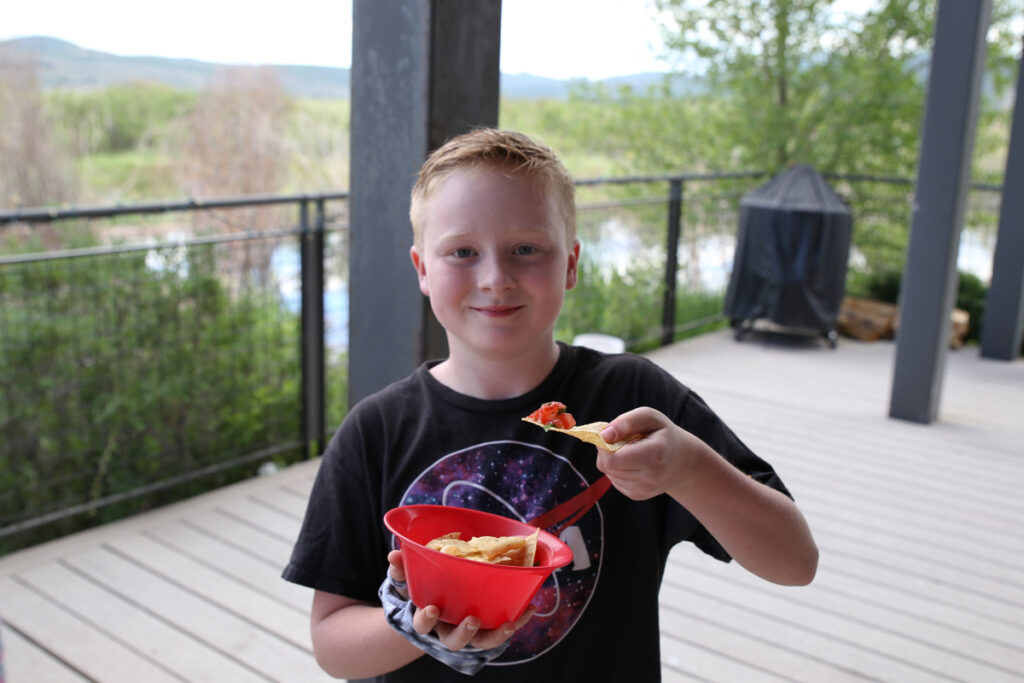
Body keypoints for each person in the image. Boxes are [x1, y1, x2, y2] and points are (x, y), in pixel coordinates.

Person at [283, 128, 818, 681]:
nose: (495, 278)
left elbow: (796, 562)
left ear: (570, 264)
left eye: (526, 250)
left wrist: (690, 469)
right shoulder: (376, 432)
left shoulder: (633, 403)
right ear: (422, 268)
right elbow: (333, 643)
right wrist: (413, 623)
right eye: (462, 252)